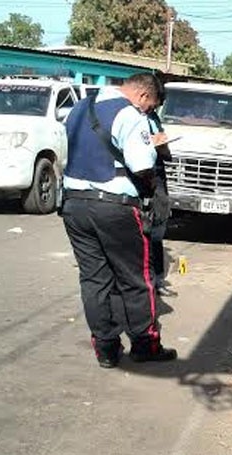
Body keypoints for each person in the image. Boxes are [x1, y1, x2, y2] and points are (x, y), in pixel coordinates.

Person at [60, 73, 177, 369]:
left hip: (74, 204)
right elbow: (141, 165)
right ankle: (145, 344)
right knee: (136, 278)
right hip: (115, 207)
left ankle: (106, 349)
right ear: (142, 96)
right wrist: (153, 167)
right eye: (150, 106)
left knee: (94, 279)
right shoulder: (130, 114)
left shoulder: (79, 107)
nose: (148, 112)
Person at [147, 100, 177, 298]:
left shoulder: (153, 118)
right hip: (143, 179)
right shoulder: (134, 118)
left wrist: (162, 146)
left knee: (156, 233)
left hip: (155, 179)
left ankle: (156, 280)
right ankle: (149, 281)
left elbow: (166, 153)